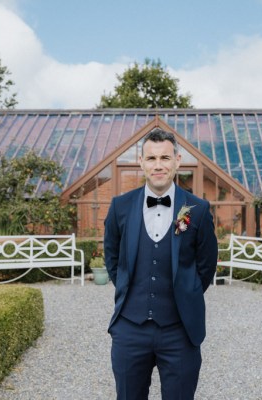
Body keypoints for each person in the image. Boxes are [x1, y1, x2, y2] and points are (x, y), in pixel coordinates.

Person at [103, 128, 218, 399]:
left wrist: (185, 294)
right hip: (130, 329)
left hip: (180, 331)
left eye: (165, 158)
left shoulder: (196, 209)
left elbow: (206, 264)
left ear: (177, 161)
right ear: (141, 162)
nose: (158, 165)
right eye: (151, 158)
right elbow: (113, 258)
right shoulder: (120, 206)